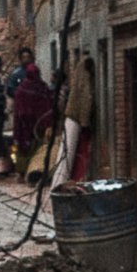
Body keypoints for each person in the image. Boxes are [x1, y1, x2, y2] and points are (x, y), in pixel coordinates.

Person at [9, 50, 57, 181]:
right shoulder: (41, 87)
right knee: (33, 147)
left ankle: (26, 172)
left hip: (26, 124)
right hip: (35, 124)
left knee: (26, 147)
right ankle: (30, 171)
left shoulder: (23, 89)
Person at [54, 55, 98, 187]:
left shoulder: (77, 82)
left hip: (72, 122)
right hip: (77, 124)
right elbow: (85, 102)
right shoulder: (83, 82)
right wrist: (85, 122)